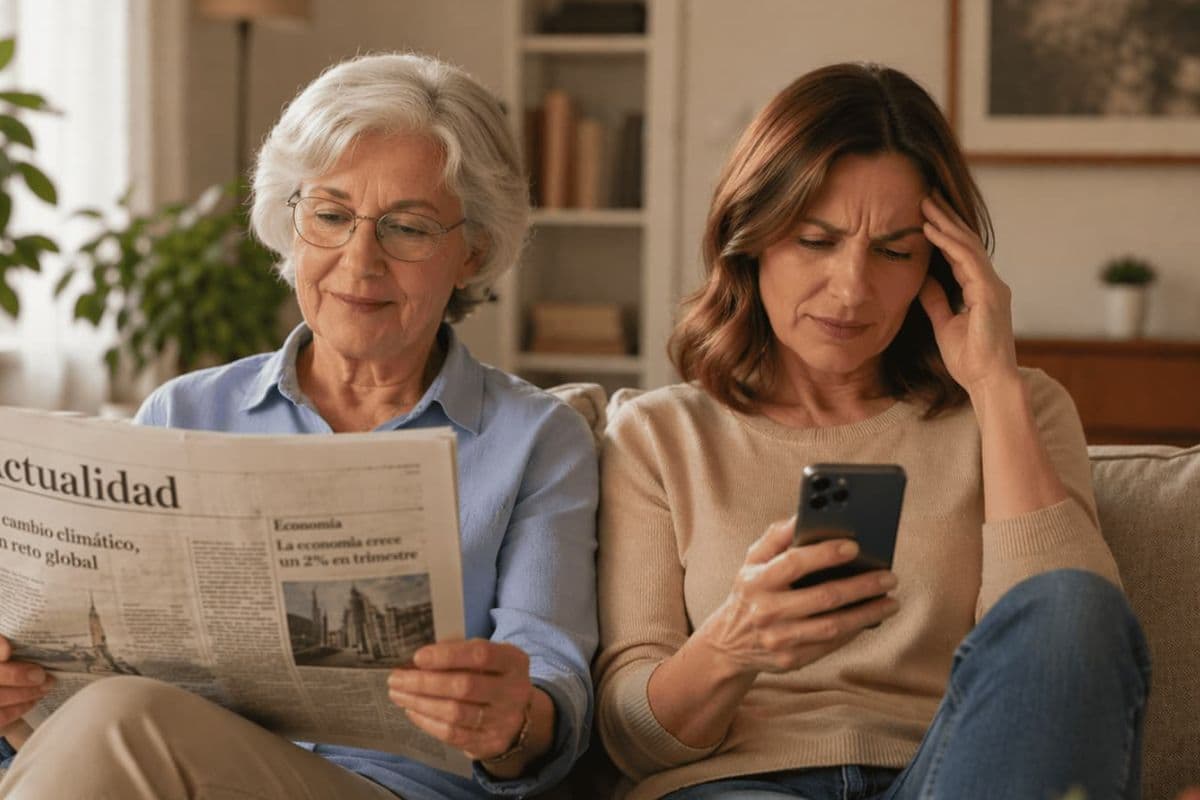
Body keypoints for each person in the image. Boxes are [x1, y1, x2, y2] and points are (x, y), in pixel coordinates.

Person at [0, 52, 598, 800]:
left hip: (397, 790)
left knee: (123, 716)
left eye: (407, 227)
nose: (360, 260)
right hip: (171, 778)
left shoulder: (538, 441)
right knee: (110, 713)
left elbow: (550, 689)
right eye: (331, 215)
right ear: (291, 221)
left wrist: (507, 721)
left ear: (472, 250)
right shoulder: (186, 412)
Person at [594, 62, 1150, 800]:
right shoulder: (658, 438)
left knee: (1074, 602)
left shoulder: (1018, 407)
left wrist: (992, 385)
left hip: (953, 777)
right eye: (817, 241)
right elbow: (632, 740)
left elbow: (1072, 653)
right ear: (750, 237)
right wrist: (733, 644)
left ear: (942, 264)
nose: (853, 289)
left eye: (893, 251)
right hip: (738, 784)